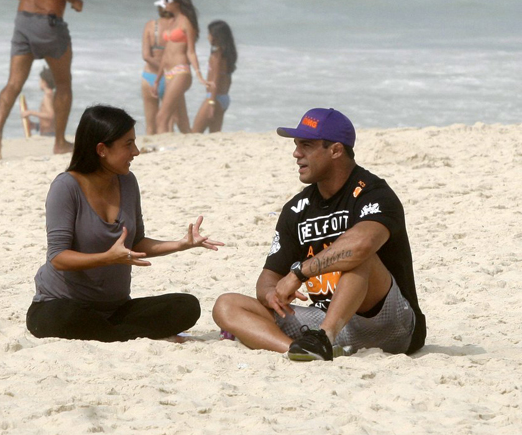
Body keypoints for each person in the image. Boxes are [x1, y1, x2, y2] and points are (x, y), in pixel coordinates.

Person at [213, 108, 426, 361]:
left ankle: (323, 338)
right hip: (323, 319)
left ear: (336, 150)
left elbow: (362, 245)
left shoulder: (373, 192)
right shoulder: (296, 209)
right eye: (296, 145)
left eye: (306, 145)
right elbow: (268, 278)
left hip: (389, 321)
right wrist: (272, 295)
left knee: (359, 255)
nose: (296, 154)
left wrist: (300, 273)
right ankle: (300, 349)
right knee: (226, 305)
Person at [26, 105, 224, 342]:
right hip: (63, 305)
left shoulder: (128, 182)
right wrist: (107, 257)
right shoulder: (66, 187)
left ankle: (115, 334)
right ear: (102, 149)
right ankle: (128, 335)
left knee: (186, 305)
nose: (136, 152)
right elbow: (58, 258)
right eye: (128, 144)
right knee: (66, 318)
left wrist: (181, 244)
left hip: (116, 309)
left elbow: (136, 243)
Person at [0, 0, 83, 160]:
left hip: (23, 21)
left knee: (13, 83)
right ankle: (60, 143)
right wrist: (74, 0)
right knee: (63, 84)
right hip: (49, 22)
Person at [152, 0, 208, 134]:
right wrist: (157, 80)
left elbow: (191, 51)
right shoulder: (172, 21)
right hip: (168, 73)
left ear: (177, 1)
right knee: (181, 122)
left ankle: (162, 151)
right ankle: (193, 148)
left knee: (161, 117)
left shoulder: (186, 21)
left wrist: (199, 75)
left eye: (166, 0)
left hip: (181, 71)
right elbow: (165, 54)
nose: (164, 3)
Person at [192, 20, 237, 134]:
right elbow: (228, 80)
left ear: (216, 37)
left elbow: (214, 81)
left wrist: (211, 103)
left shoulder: (216, 56)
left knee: (195, 132)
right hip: (224, 98)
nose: (208, 37)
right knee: (214, 134)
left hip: (214, 98)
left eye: (209, 34)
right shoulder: (228, 55)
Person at [141, 1, 173, 135]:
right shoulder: (176, 26)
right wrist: (164, 70)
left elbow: (146, 56)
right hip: (170, 78)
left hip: (149, 77)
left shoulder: (150, 25)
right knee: (168, 125)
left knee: (150, 126)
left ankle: (150, 153)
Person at [22, 67, 56, 136]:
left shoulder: (47, 96)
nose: (39, 83)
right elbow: (50, 121)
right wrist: (35, 125)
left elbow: (51, 115)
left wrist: (30, 112)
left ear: (44, 82)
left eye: (40, 81)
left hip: (49, 134)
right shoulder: (52, 94)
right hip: (49, 132)